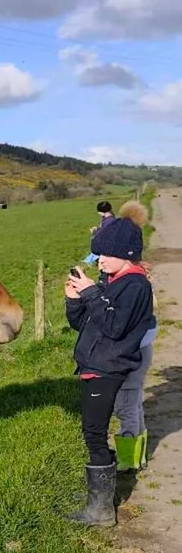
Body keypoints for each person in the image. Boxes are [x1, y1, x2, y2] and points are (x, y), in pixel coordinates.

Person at [64, 206, 155, 525]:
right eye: (97, 254)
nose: (99, 260)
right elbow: (86, 324)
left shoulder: (135, 286)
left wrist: (90, 292)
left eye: (104, 254)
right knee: (93, 431)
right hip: (94, 364)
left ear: (125, 254)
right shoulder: (112, 280)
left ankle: (101, 509)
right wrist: (74, 299)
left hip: (108, 367)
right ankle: (100, 497)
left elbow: (114, 327)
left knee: (94, 432)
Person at [111, 202, 155, 472]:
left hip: (133, 352)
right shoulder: (138, 275)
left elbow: (121, 322)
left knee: (126, 405)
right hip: (143, 346)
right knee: (134, 402)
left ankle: (128, 460)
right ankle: (138, 455)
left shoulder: (132, 284)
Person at [84, 201, 115, 266]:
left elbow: (102, 237)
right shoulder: (111, 220)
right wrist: (98, 229)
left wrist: (94, 233)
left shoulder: (108, 222)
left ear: (101, 212)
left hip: (106, 252)